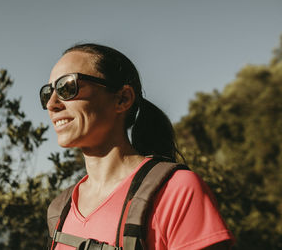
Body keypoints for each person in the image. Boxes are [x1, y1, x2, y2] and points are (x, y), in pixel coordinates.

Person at [40, 43, 234, 250]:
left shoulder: (176, 190)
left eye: (67, 87)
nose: (52, 104)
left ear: (123, 99)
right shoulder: (60, 210)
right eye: (47, 93)